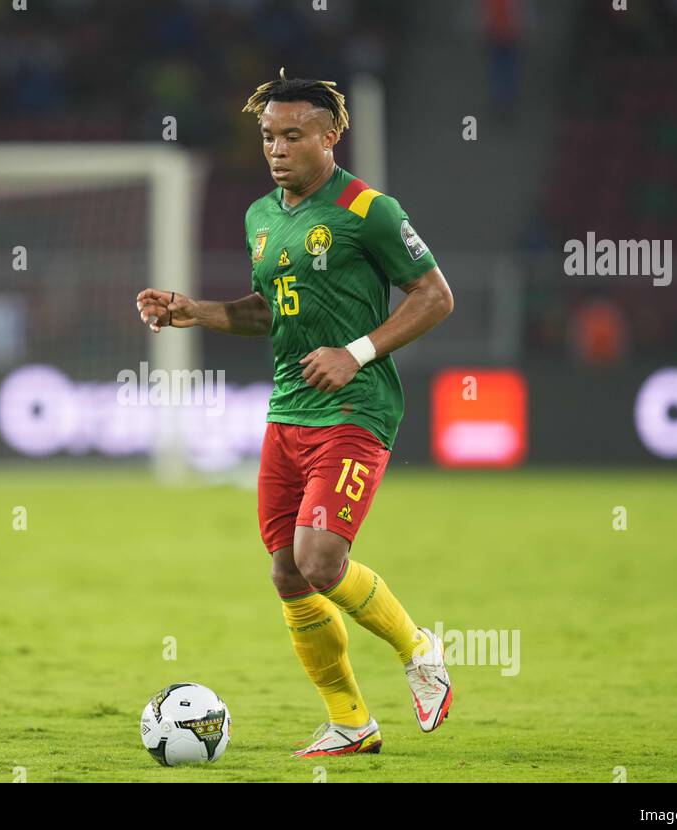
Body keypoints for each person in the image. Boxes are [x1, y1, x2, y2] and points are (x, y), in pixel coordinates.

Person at [136, 71, 455, 757]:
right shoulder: (262, 217)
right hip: (288, 413)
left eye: (292, 135)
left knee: (318, 558)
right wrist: (196, 310)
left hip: (354, 409)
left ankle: (420, 648)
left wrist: (358, 351)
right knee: (285, 572)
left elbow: (435, 296)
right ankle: (350, 721)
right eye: (267, 137)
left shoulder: (369, 210)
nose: (277, 149)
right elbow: (264, 312)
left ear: (330, 135)